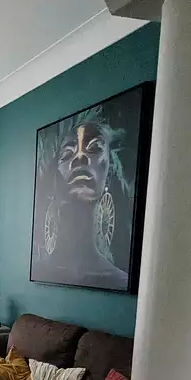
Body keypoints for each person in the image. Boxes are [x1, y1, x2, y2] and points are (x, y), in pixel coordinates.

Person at [33, 108, 131, 291]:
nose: (80, 157)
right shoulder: (40, 270)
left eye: (94, 148)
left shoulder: (120, 280)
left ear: (109, 174)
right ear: (55, 180)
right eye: (67, 154)